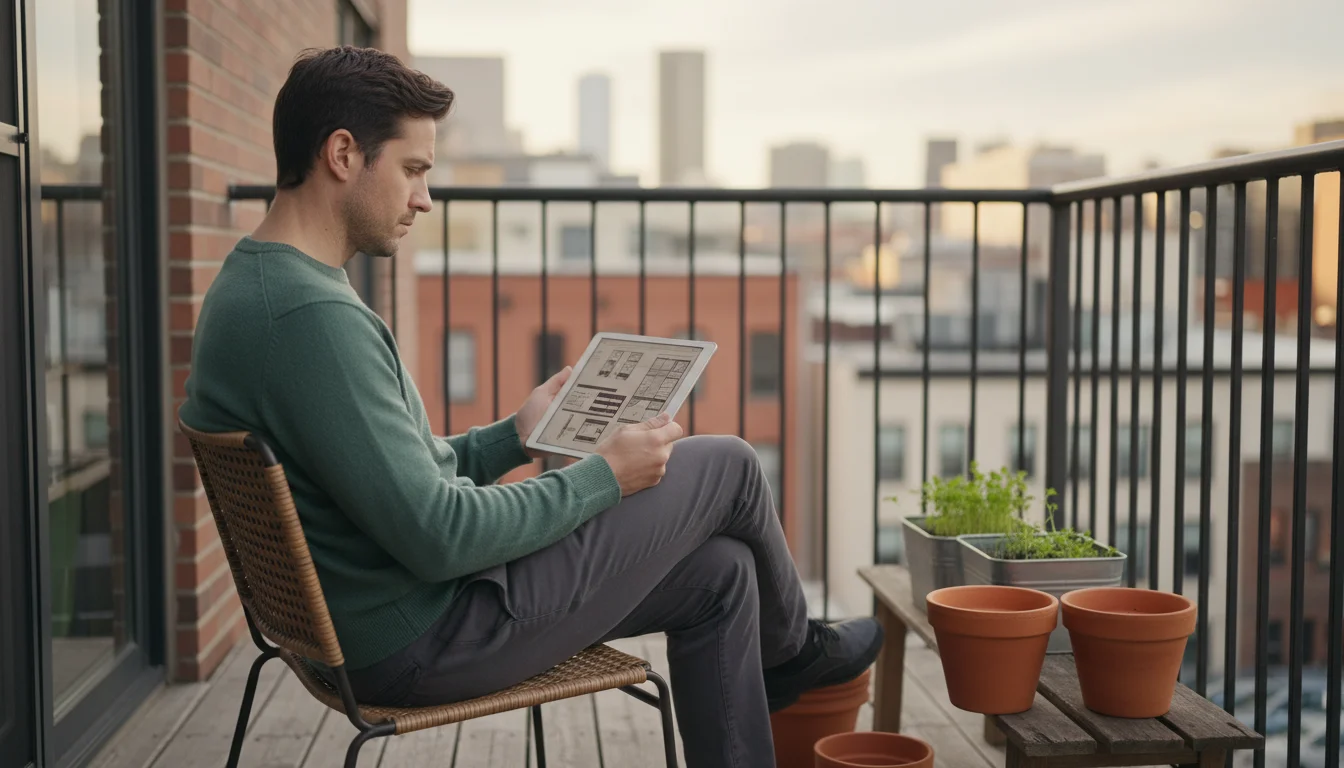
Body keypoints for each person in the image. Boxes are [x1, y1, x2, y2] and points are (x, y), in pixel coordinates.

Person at [178, 46, 881, 767]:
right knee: (728, 465)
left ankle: (788, 658)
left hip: (377, 620)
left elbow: (393, 477)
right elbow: (440, 533)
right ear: (343, 154)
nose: (424, 198)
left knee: (725, 574)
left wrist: (514, 437)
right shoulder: (309, 319)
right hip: (424, 637)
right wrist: (603, 476)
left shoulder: (253, 288)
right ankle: (795, 655)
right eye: (414, 170)